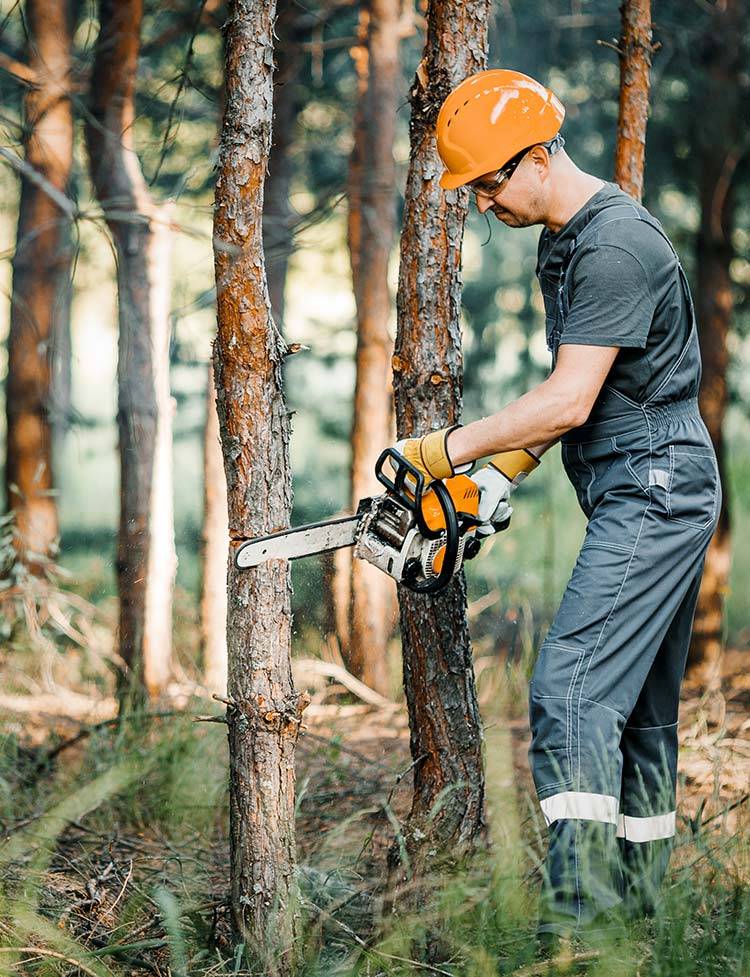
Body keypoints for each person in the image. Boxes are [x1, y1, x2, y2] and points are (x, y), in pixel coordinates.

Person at [385, 68, 722, 947]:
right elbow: (586, 390)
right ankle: (639, 927)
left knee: (571, 687)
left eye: (490, 182)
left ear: (538, 157)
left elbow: (570, 401)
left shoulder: (613, 246)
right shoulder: (565, 241)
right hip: (646, 481)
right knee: (639, 712)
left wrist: (443, 451)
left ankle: (577, 931)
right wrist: (499, 475)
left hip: (655, 484)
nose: (482, 202)